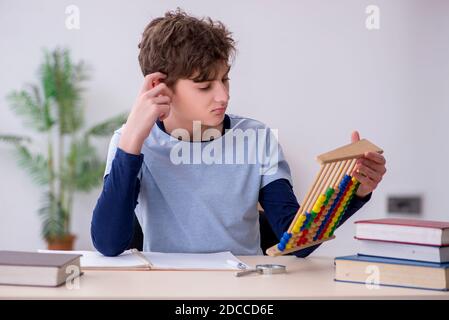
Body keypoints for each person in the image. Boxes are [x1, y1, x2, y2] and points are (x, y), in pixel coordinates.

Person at [91, 8, 387, 257]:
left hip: (245, 286)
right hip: (168, 285)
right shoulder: (131, 140)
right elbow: (108, 243)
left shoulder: (256, 138)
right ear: (160, 88)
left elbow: (294, 241)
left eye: (225, 80)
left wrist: (355, 192)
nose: (222, 96)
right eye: (205, 86)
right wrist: (131, 143)